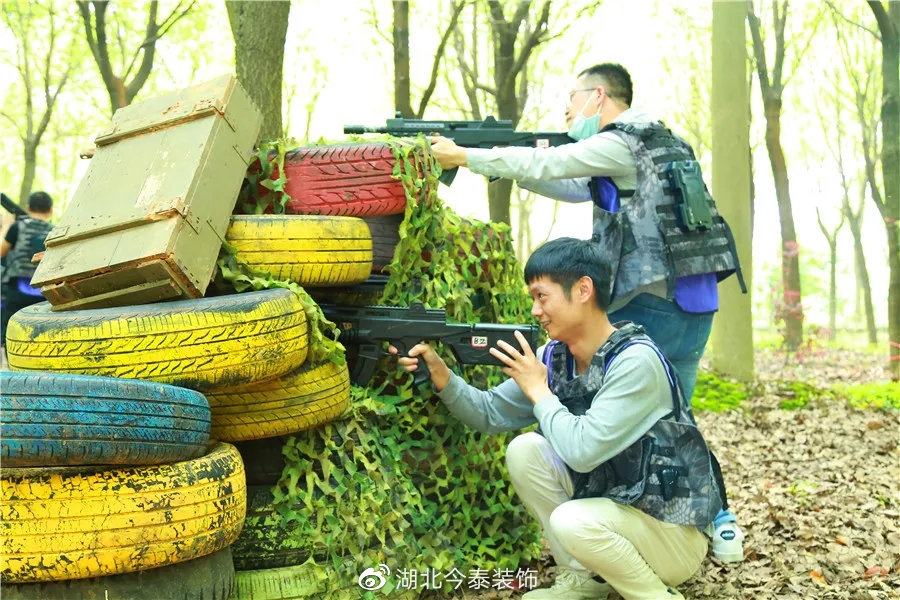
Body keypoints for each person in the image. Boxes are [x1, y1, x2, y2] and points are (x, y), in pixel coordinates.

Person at [429, 62, 745, 562]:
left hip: (654, 302)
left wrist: (465, 156)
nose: (567, 112)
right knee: (676, 420)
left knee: (633, 422)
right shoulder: (664, 142)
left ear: (598, 96)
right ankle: (716, 519)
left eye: (572, 101)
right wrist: (518, 168)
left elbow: (558, 165)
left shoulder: (623, 141)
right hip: (697, 302)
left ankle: (634, 536)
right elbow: (572, 182)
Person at [391, 238, 728, 600]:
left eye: (542, 296)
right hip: (612, 511)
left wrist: (540, 390)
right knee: (525, 449)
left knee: (571, 520)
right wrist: (441, 374)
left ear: (583, 290)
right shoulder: (555, 357)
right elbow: (489, 413)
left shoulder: (635, 361)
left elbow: (582, 451)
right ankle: (586, 580)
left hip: (671, 532)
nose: (535, 310)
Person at [1, 191, 53, 349]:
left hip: (17, 291)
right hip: (44, 294)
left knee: (9, 335)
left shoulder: (17, 227)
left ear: (28, 207)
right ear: (50, 211)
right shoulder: (55, 231)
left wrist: (6, 227)